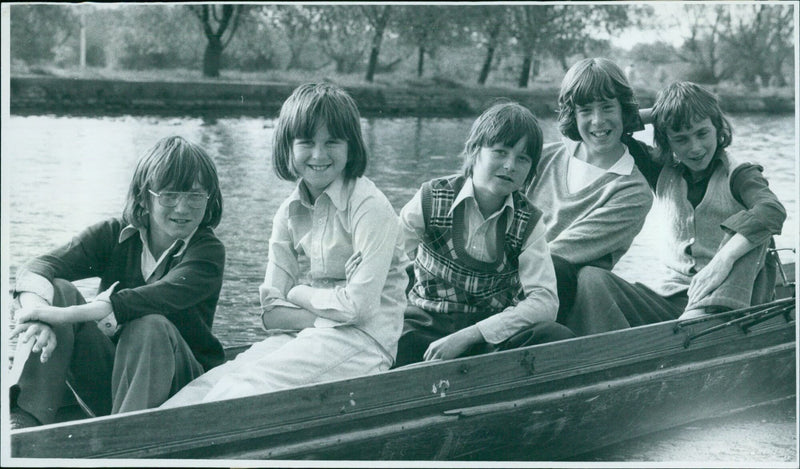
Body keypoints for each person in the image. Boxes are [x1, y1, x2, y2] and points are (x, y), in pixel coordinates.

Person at [161, 83, 408, 407]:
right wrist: (326, 310)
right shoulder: (288, 212)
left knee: (245, 388)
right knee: (212, 382)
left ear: (351, 147)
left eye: (332, 142)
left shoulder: (370, 207)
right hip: (306, 332)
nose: (319, 155)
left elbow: (359, 309)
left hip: (363, 343)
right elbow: (270, 314)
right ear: (288, 148)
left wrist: (297, 293)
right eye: (306, 142)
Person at [9, 136, 226, 428]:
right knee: (58, 290)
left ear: (209, 199)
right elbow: (38, 267)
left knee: (149, 324)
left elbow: (147, 299)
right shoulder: (114, 234)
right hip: (116, 383)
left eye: (196, 196)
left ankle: (124, 441)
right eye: (169, 195)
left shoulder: (207, 252)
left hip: (182, 393)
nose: (183, 208)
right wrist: (38, 315)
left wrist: (61, 316)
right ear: (144, 197)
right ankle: (24, 424)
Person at [568, 81, 786, 334]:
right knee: (590, 278)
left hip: (733, 303)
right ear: (666, 141)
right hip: (676, 304)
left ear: (718, 128)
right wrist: (661, 114)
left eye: (702, 133)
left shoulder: (739, 174)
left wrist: (723, 261)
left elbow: (772, 209)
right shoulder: (660, 170)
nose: (694, 147)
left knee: (754, 232)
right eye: (680, 139)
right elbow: (614, 132)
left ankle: (699, 323)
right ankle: (626, 354)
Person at [394, 102, 575, 367]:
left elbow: (545, 301)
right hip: (424, 325)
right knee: (385, 341)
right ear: (473, 151)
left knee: (556, 337)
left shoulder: (529, 222)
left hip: (488, 335)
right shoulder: (431, 198)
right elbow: (388, 259)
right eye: (500, 152)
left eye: (523, 159)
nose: (510, 165)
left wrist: (470, 335)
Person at [524, 57, 654, 320]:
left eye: (607, 107)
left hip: (557, 302)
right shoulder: (543, 158)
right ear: (573, 115)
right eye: (585, 111)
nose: (598, 121)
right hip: (500, 277)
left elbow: (555, 256)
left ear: (623, 110)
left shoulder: (632, 191)